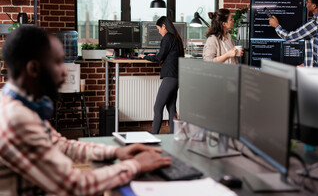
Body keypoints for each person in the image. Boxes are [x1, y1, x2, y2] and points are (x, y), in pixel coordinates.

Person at [0, 26, 171, 195]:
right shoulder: (17, 118)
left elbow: (63, 146)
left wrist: (117, 152)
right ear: (34, 69)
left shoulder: (20, 105)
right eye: (58, 62)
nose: (65, 71)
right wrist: (137, 165)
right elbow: (75, 185)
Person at [138, 16, 184, 134]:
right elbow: (167, 54)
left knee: (157, 107)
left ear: (164, 26)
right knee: (171, 108)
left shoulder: (167, 37)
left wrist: (146, 56)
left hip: (170, 77)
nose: (159, 31)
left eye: (159, 28)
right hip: (177, 77)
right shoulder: (176, 38)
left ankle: (153, 136)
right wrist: (156, 54)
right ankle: (173, 136)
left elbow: (159, 58)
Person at [269, 0, 318, 67]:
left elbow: (289, 37)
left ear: (314, 6)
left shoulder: (316, 23)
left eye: (308, 1)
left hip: (313, 74)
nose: (306, 3)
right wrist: (308, 63)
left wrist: (276, 26)